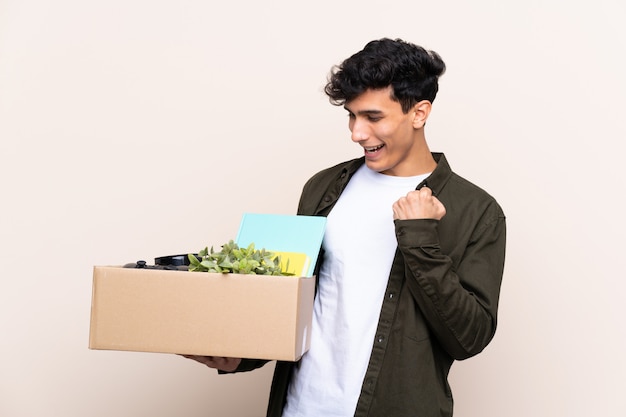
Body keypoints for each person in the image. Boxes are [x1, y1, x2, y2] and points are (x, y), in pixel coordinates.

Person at [184, 38, 506, 417]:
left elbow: (469, 338)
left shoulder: (476, 211)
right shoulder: (322, 188)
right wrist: (241, 357)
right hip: (298, 408)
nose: (357, 133)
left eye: (373, 117)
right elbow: (295, 301)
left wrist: (420, 238)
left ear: (419, 113)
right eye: (352, 116)